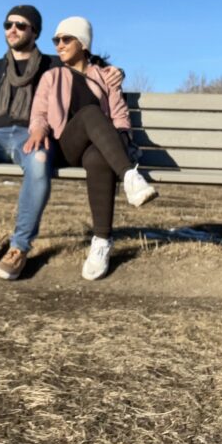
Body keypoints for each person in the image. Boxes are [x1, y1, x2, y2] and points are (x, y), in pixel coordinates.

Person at [0, 5, 123, 281]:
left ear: (34, 32)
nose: (13, 29)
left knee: (39, 161)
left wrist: (117, 71)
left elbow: (89, 67)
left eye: (21, 25)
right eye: (8, 24)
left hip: (34, 135)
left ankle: (19, 247)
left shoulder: (52, 64)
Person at [26, 16, 157, 281]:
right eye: (56, 40)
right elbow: (38, 112)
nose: (59, 45)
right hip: (66, 146)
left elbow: (120, 117)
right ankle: (130, 176)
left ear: (83, 43)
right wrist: (38, 128)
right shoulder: (52, 76)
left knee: (99, 158)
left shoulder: (106, 76)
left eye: (65, 39)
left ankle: (101, 242)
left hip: (96, 150)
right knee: (89, 113)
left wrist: (122, 139)